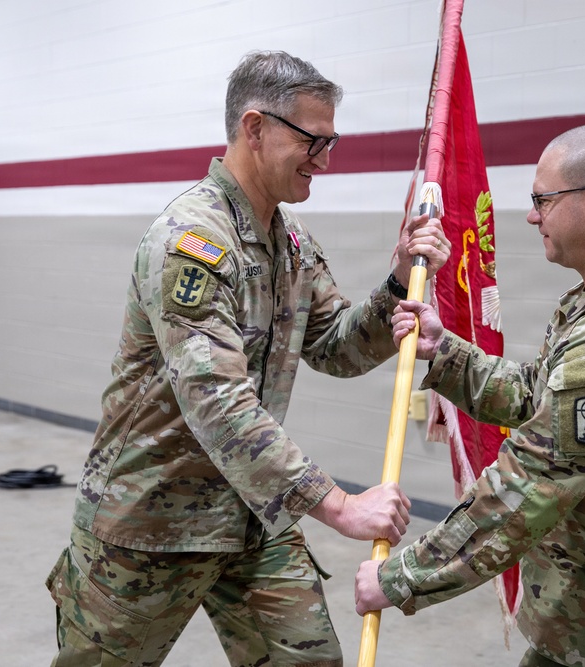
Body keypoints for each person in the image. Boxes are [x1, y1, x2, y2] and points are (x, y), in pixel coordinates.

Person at [45, 50, 450, 667]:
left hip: (251, 514)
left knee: (310, 660)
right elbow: (219, 401)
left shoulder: (290, 241)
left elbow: (336, 346)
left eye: (332, 140)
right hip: (153, 522)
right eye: (314, 140)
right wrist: (339, 506)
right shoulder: (193, 242)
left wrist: (398, 284)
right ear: (255, 128)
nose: (326, 161)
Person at [355, 123, 585, 667]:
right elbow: (536, 401)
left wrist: (404, 577)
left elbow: (531, 484)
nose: (531, 215)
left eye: (541, 200)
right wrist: (444, 351)